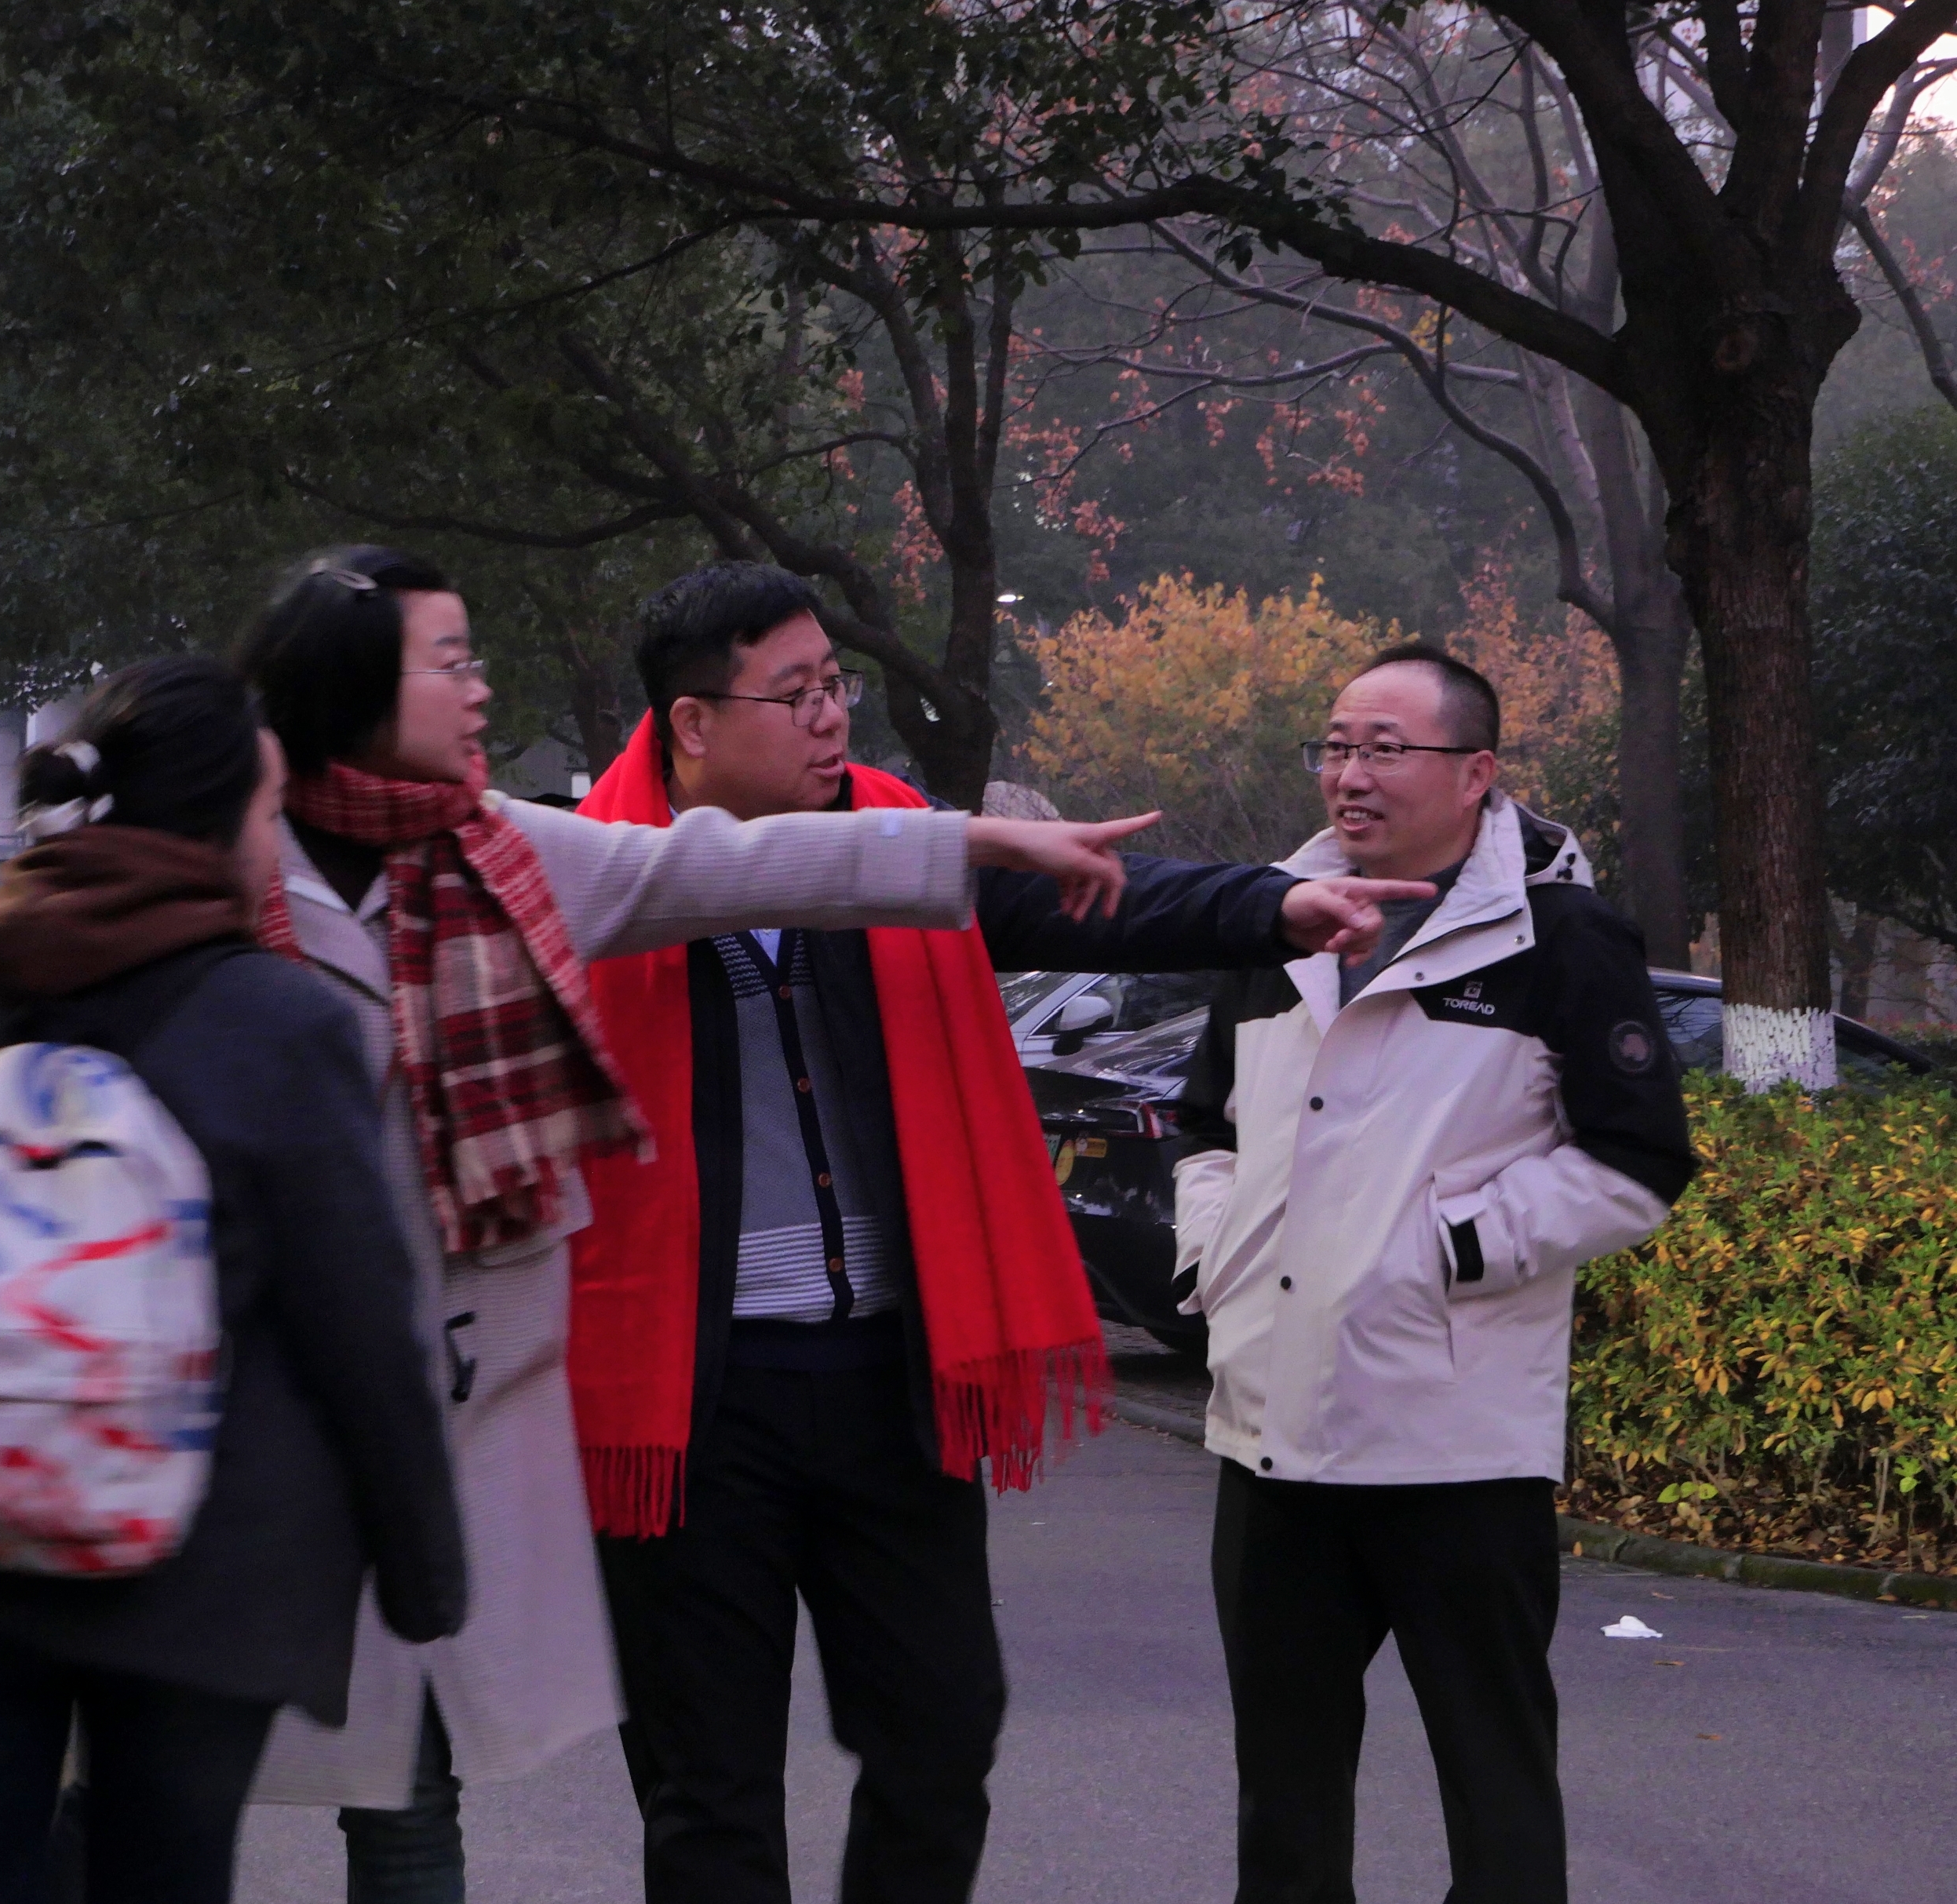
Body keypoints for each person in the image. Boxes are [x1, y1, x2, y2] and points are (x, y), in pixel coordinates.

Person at [234, 546, 1167, 1903]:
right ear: (351, 688)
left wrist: (975, 841)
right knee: (307, 1777)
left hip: (535, 1384)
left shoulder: (505, 850)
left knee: (422, 1796)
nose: (480, 687)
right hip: (348, 1393)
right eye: (450, 661)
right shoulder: (232, 869)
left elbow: (728, 868)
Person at [567, 562, 1435, 1904]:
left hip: (885, 1384)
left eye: (834, 685)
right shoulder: (586, 875)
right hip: (686, 1401)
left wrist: (1268, 906)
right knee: (705, 1782)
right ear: (691, 721)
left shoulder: (910, 844)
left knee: (940, 1736)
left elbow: (1096, 896)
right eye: (793, 695)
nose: (829, 718)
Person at [0, 656, 467, 1904]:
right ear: (217, 824)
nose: (274, 842)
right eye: (267, 811)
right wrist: (423, 1570)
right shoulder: (282, 1021)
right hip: (204, 1576)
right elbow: (360, 1326)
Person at [1172, 643, 1696, 1904]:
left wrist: (1446, 1248)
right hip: (1270, 1443)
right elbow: (1204, 1127)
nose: (1349, 774)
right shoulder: (1276, 920)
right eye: (1335, 746)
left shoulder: (1558, 937)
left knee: (1494, 1785)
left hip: (1456, 1449)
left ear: (1475, 774)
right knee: (1283, 1799)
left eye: (1384, 749)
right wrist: (1215, 1252)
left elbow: (1637, 1161)